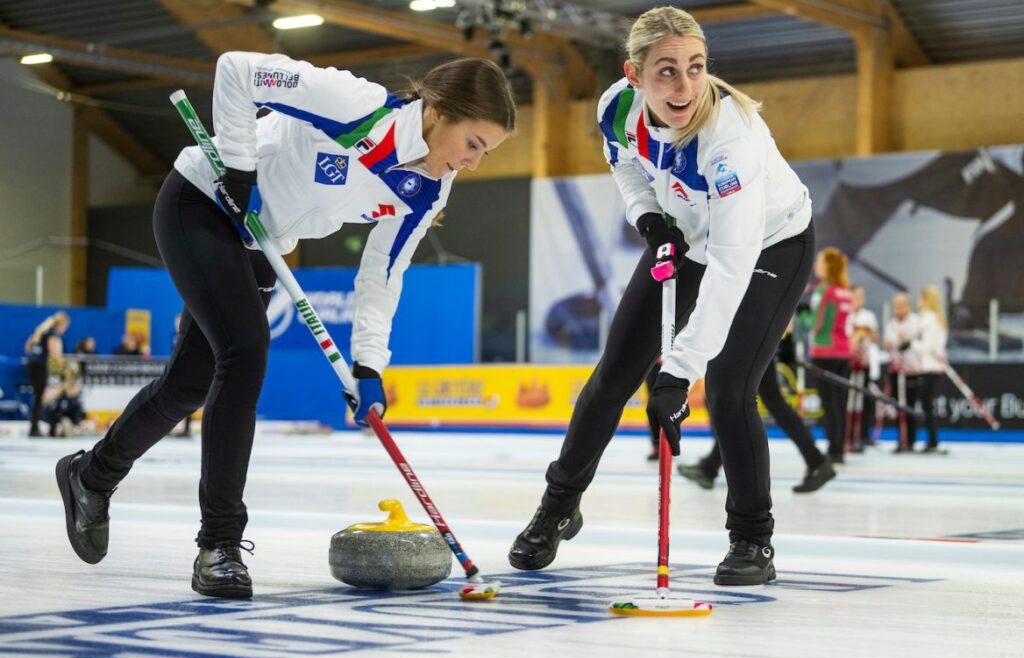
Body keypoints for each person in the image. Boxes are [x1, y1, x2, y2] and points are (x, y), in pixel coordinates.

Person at [56, 52, 515, 599]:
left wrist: (369, 363)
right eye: (473, 145)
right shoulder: (355, 106)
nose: (473, 163)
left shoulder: (427, 190)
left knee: (189, 384)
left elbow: (383, 273)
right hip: (203, 202)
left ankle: (91, 476)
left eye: (484, 152)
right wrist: (237, 166)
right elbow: (236, 70)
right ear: (438, 111)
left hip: (261, 243)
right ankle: (220, 544)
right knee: (245, 352)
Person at [509, 6, 814, 586]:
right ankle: (558, 506)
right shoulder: (616, 108)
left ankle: (752, 538)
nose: (685, 85)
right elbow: (626, 166)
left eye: (696, 68)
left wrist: (678, 372)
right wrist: (648, 218)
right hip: (682, 234)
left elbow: (731, 263)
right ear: (634, 74)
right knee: (613, 373)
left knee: (728, 388)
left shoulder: (730, 142)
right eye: (667, 71)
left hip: (768, 246)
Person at [678, 332, 835, 493]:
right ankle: (816, 461)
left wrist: (786, 340)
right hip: (757, 337)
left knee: (729, 399)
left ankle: (709, 467)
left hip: (747, 337)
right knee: (755, 399)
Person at [808, 247, 852, 462]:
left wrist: (800, 313)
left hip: (824, 352)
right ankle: (839, 448)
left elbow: (815, 325)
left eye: (819, 260)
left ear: (828, 265)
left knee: (829, 404)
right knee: (839, 403)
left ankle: (834, 449)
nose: (816, 264)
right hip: (844, 353)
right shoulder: (844, 290)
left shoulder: (823, 290)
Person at [908, 285, 948, 453]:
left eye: (920, 298)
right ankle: (932, 439)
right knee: (927, 404)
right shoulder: (937, 319)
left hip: (930, 366)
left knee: (926, 404)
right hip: (933, 366)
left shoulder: (929, 319)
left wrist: (911, 344)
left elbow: (927, 346)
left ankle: (932, 441)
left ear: (925, 300)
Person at [882, 292, 920, 452]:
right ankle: (900, 439)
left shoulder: (915, 321)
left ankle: (911, 441)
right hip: (895, 370)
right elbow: (889, 344)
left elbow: (909, 341)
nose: (898, 308)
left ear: (908, 305)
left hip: (912, 370)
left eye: (902, 305)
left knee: (910, 405)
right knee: (897, 405)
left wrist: (901, 341)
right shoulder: (891, 323)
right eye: (896, 305)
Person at [25, 311, 69, 437]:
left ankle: (34, 426)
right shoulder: (52, 333)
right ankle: (34, 429)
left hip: (32, 363)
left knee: (37, 396)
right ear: (62, 324)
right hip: (40, 365)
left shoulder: (40, 330)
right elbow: (54, 352)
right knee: (39, 397)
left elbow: (28, 347)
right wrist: (65, 365)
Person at [847, 285, 880, 450]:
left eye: (862, 296)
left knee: (861, 401)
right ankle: (846, 438)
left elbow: (875, 338)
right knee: (847, 402)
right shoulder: (845, 313)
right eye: (857, 295)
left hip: (863, 364)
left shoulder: (869, 316)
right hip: (846, 363)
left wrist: (867, 333)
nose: (860, 299)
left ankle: (859, 437)